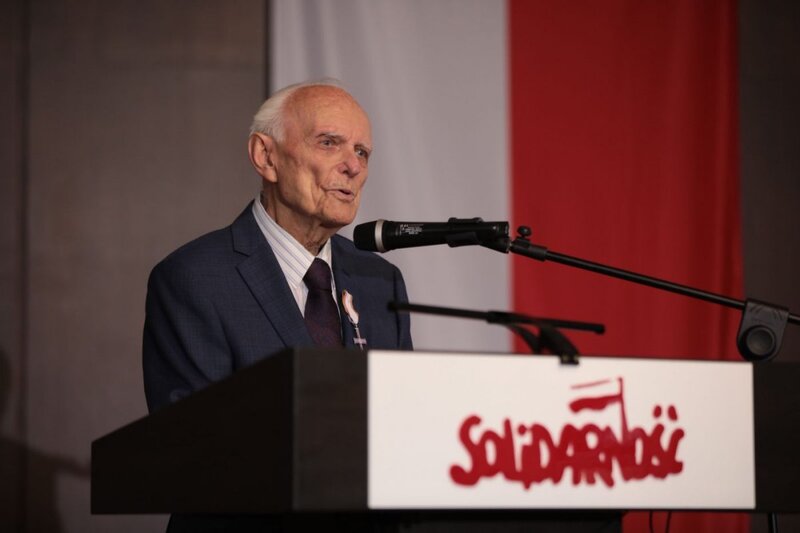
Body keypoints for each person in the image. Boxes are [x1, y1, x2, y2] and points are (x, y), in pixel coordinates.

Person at [143, 80, 413, 413]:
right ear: (266, 157)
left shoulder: (380, 281)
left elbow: (403, 421)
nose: (353, 166)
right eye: (329, 143)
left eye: (362, 152)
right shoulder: (195, 280)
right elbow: (193, 444)